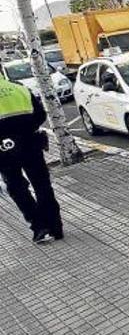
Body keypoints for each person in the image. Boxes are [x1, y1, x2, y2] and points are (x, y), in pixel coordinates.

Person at [0, 76, 62, 243]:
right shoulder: (19, 88)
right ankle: (55, 226)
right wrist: (25, 129)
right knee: (42, 184)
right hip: (30, 143)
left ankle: (39, 226)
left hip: (3, 150)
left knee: (17, 188)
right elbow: (40, 115)